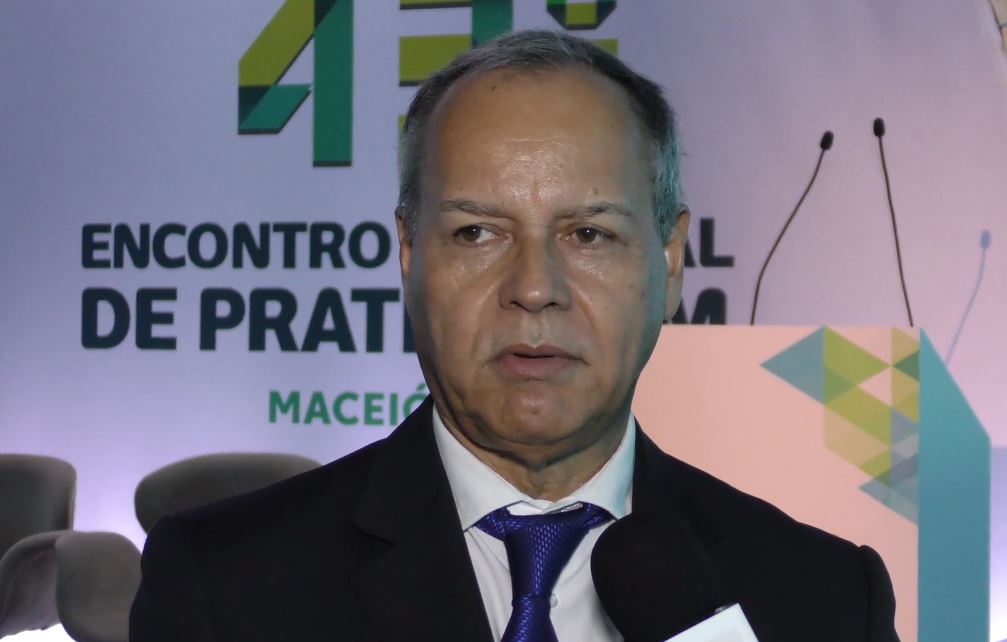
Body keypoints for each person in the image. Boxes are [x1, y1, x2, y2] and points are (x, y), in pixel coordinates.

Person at [130, 30, 899, 642]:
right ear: (409, 256)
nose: (533, 287)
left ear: (669, 263)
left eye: (589, 234)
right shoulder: (223, 586)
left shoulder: (824, 598)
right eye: (476, 232)